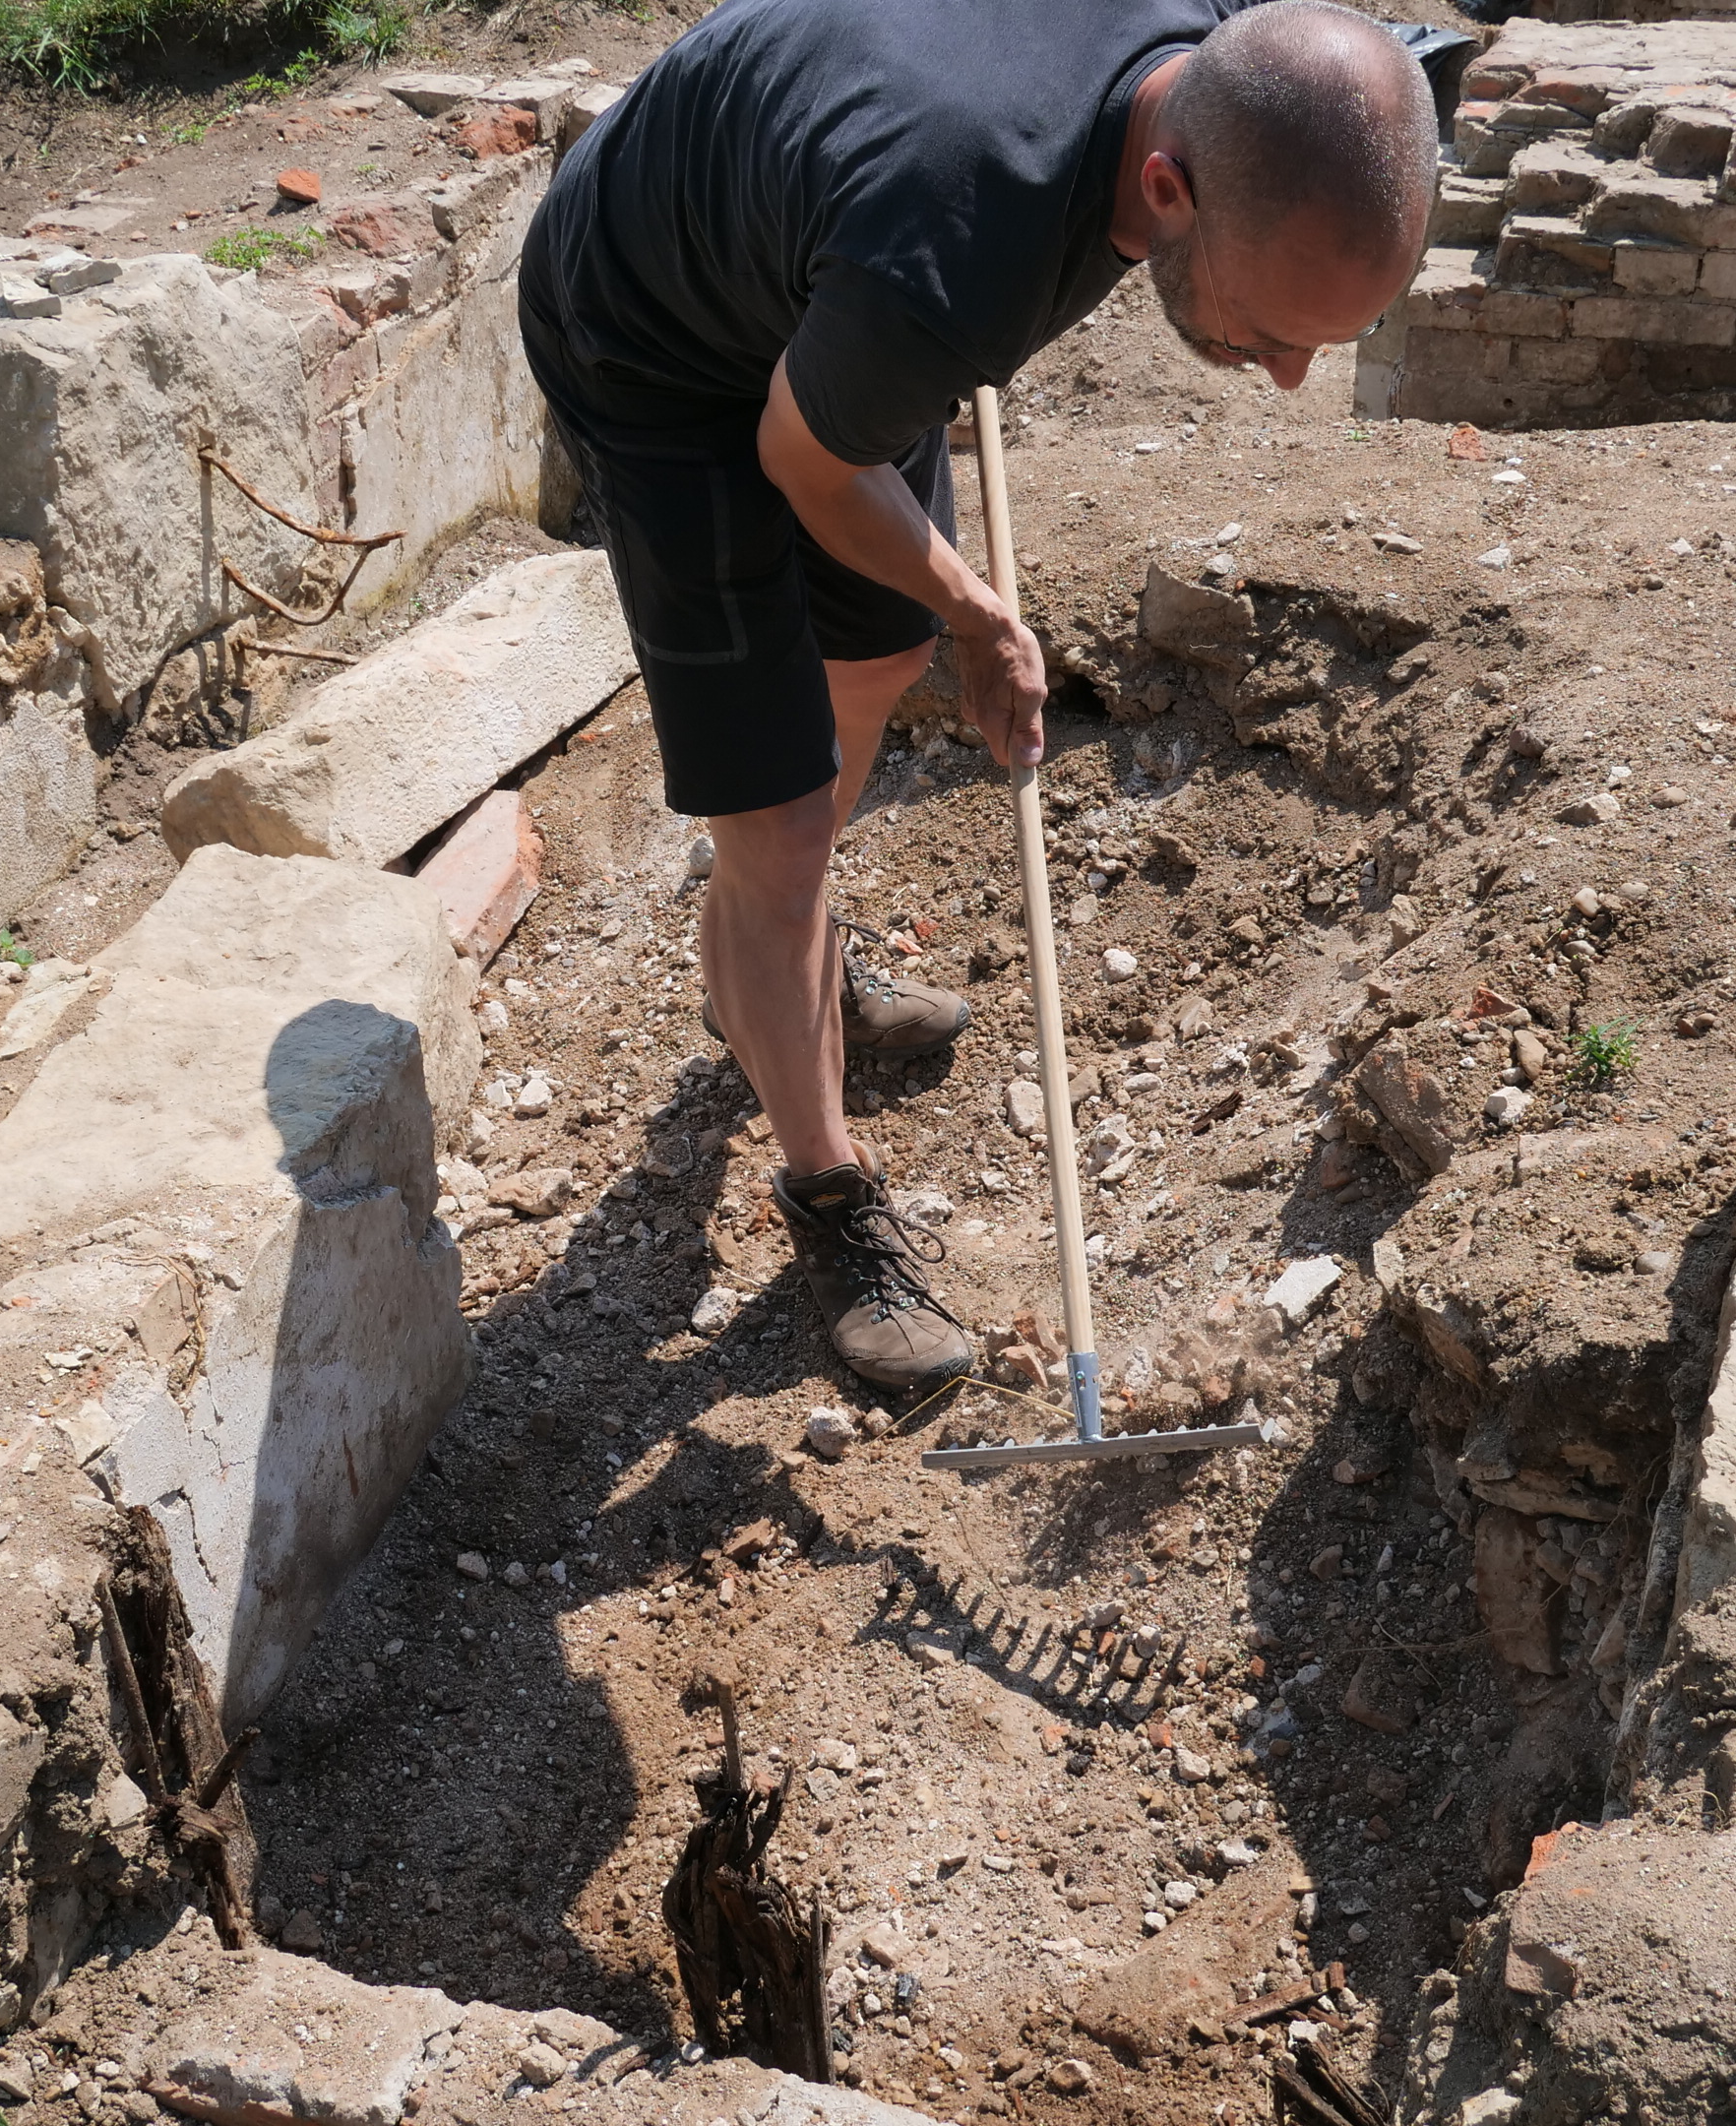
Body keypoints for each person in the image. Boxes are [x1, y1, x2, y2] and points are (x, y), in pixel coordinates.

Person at [517, 0, 1435, 1394]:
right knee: (776, 822)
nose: (1292, 375)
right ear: (1167, 185)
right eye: (1265, 330)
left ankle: (784, 967)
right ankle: (827, 1189)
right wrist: (983, 611)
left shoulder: (1202, 62)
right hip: (658, 337)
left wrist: (940, 617)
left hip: (826, 279)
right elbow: (807, 461)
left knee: (876, 657)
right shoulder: (960, 249)